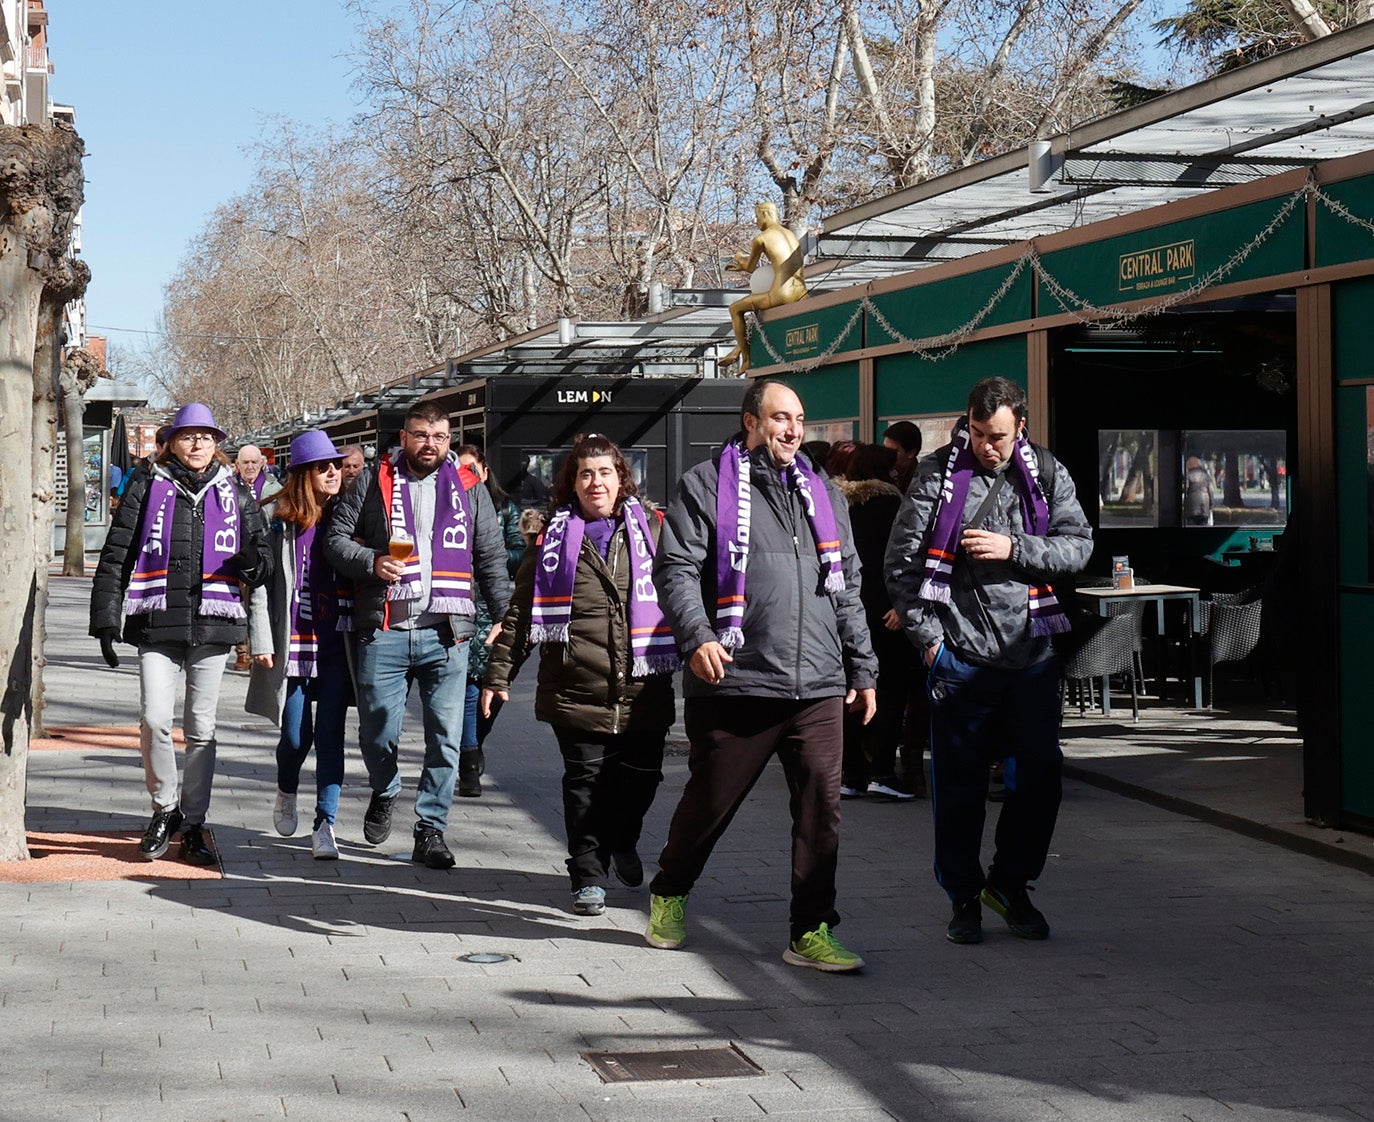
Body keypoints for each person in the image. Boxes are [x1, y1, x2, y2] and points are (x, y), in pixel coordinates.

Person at [647, 379, 877, 972]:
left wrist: (862, 665)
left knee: (821, 810)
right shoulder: (706, 484)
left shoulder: (823, 490)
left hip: (819, 683)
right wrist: (697, 636)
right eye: (780, 418)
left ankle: (812, 929)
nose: (793, 430)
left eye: (799, 418)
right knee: (710, 803)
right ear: (751, 421)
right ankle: (670, 889)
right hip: (739, 678)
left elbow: (846, 585)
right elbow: (674, 569)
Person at [885, 377, 1092, 945]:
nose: (986, 446)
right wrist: (930, 642)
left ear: (1019, 426)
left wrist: (1016, 548)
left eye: (997, 436)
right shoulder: (936, 475)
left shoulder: (1048, 473)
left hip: (1031, 654)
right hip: (961, 657)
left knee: (1040, 781)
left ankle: (1010, 884)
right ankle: (962, 897)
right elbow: (901, 566)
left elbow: (1078, 546)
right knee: (958, 789)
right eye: (977, 433)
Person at [482, 435, 678, 916]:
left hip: (643, 686)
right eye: (585, 474)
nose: (596, 483)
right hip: (575, 685)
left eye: (605, 473)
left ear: (621, 479)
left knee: (642, 779)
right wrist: (498, 673)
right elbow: (522, 611)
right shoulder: (551, 538)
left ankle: (624, 839)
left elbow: (683, 593)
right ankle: (587, 874)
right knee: (585, 783)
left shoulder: (652, 530)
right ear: (571, 482)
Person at [323, 402, 511, 869]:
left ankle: (431, 828)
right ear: (404, 438)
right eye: (422, 435)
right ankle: (385, 788)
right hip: (383, 629)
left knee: (445, 736)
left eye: (440, 436)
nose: (431, 444)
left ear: (449, 441)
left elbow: (490, 556)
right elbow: (335, 539)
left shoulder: (468, 486)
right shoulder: (372, 479)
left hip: (447, 632)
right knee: (377, 731)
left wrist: (507, 614)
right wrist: (372, 563)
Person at [89, 402, 273, 865]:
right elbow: (117, 556)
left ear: (217, 444)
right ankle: (164, 808)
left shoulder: (237, 492)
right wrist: (106, 619)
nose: (197, 444)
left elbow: (264, 564)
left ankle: (193, 822)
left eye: (206, 437)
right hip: (157, 622)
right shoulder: (147, 485)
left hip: (215, 623)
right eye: (189, 436)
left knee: (202, 728)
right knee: (154, 719)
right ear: (172, 441)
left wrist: (252, 558)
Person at [245, 430, 352, 860]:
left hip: (337, 640)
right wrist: (260, 637)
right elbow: (256, 584)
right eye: (323, 467)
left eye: (337, 466)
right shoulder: (277, 520)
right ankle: (286, 789)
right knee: (294, 735)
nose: (333, 473)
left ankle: (325, 824)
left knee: (330, 734)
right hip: (291, 640)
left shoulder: (350, 516)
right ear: (304, 474)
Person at [835, 443, 918, 801]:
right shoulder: (894, 506)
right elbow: (907, 557)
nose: (898, 472)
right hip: (888, 613)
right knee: (891, 692)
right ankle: (881, 770)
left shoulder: (837, 506)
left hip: (848, 610)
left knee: (853, 689)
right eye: (893, 468)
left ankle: (851, 772)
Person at [454, 443, 525, 798]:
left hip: (495, 607)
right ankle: (468, 759)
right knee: (469, 686)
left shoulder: (504, 508)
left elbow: (518, 552)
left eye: (472, 468)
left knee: (495, 686)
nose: (466, 475)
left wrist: (489, 552)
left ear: (484, 471)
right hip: (464, 608)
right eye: (460, 468)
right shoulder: (449, 505)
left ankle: (476, 743)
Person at [720, 201, 809, 372]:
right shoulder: (790, 234)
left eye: (757, 217)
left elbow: (750, 267)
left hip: (781, 294)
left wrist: (739, 258)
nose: (756, 221)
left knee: (735, 308)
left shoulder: (761, 238)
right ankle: (739, 347)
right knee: (757, 312)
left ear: (765, 214)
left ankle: (746, 357)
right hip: (800, 292)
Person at [883, 420, 923, 493]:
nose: (886, 455)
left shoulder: (922, 482)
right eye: (884, 449)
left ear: (911, 453)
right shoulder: (880, 474)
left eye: (893, 452)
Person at [1184, 456, 1214, 526]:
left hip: (1192, 503)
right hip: (1205, 503)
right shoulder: (1206, 475)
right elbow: (1211, 490)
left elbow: (1185, 488)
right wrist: (1211, 504)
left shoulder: (1189, 475)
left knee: (1192, 523)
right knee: (1203, 523)